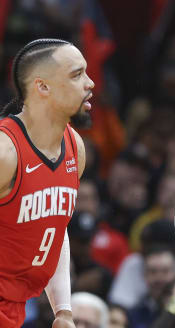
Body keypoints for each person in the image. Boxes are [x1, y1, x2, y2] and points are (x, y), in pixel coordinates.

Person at [0, 38, 94, 327]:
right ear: (43, 87)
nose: (90, 83)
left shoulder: (74, 147)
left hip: (15, 308)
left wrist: (63, 310)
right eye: (76, 75)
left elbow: (54, 229)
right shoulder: (6, 152)